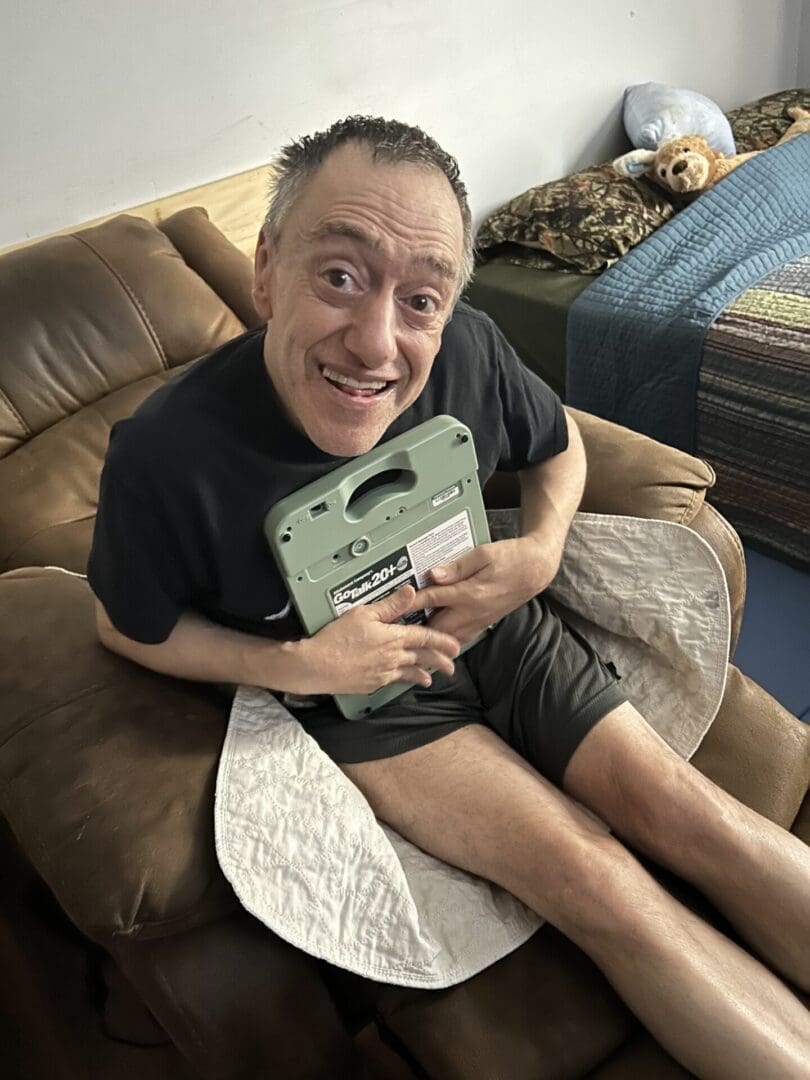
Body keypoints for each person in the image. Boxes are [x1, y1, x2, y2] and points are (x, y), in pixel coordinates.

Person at [88, 116, 810, 1079]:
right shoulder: (165, 455)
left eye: (420, 298)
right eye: (339, 276)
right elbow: (124, 625)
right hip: (368, 706)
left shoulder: (468, 350)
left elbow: (559, 448)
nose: (375, 343)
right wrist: (297, 664)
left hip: (495, 627)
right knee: (597, 881)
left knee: (694, 814)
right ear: (266, 271)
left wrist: (540, 553)